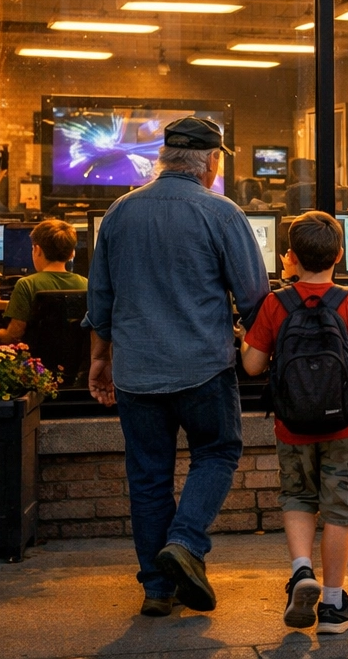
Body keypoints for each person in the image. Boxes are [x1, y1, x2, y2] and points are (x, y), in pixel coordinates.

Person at [85, 116, 269, 618]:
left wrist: (100, 359)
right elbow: (255, 298)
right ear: (212, 162)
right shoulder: (222, 213)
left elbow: (100, 298)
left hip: (137, 370)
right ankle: (185, 543)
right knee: (217, 452)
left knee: (147, 476)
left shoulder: (119, 212)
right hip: (204, 367)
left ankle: (157, 590)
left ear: (165, 159)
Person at [241, 212, 348, 634]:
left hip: (292, 427)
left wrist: (244, 336)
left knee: (297, 497)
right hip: (345, 426)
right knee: (340, 510)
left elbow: (253, 365)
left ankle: (301, 571)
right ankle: (332, 605)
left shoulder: (276, 303)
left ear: (289, 257)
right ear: (339, 256)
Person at [0, 218, 86, 345]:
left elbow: (15, 334)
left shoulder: (27, 284)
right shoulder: (86, 284)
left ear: (37, 250)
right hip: (77, 361)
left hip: (35, 362)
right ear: (72, 253)